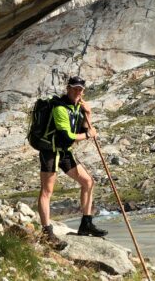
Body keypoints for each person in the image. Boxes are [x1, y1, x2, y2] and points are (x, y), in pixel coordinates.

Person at [38, 76, 108, 246]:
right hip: (50, 151)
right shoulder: (60, 108)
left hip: (64, 151)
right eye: (74, 88)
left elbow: (84, 128)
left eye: (80, 89)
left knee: (88, 182)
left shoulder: (77, 107)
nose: (77, 92)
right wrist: (88, 135)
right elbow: (67, 136)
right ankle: (47, 232)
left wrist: (88, 113)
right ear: (68, 88)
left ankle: (86, 224)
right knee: (47, 191)